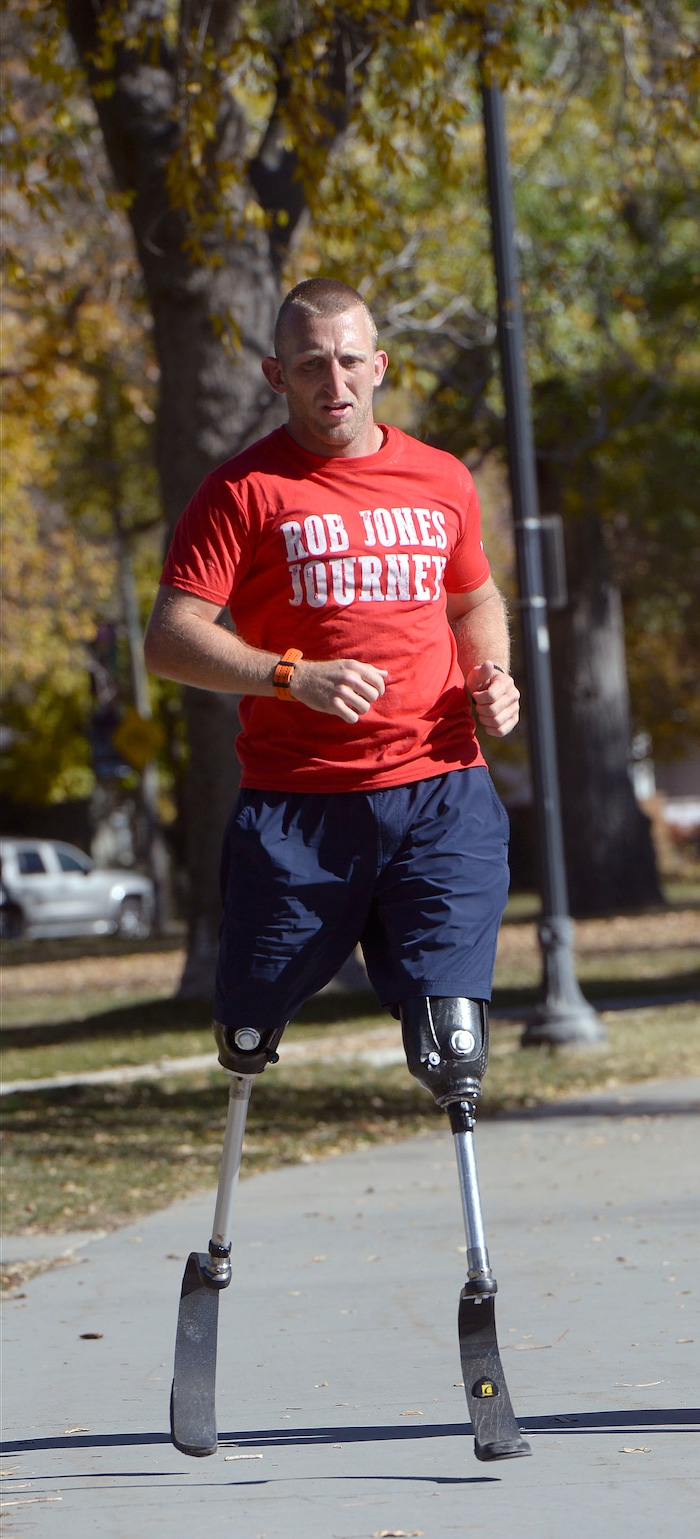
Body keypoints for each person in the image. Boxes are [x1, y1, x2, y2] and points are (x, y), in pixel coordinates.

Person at [144, 277, 520, 1074]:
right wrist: (291, 676)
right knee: (246, 1037)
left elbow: (475, 597)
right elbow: (171, 639)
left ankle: (455, 1092)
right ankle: (249, 1035)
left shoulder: (443, 479)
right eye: (312, 364)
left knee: (452, 1042)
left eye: (351, 360)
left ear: (380, 365)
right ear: (278, 376)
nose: (336, 382)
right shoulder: (241, 492)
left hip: (441, 787)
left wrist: (494, 674)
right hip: (299, 805)